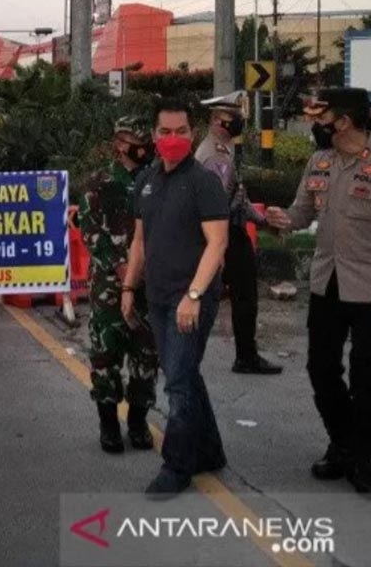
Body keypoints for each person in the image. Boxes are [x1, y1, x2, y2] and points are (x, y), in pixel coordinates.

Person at [265, 88, 371, 495]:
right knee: (321, 369)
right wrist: (283, 219)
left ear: (343, 121)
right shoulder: (321, 161)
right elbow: (302, 213)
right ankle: (342, 442)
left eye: (321, 116)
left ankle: (361, 459)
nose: (315, 123)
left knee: (370, 379)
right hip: (326, 284)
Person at [123, 98, 231, 497]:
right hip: (158, 297)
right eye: (165, 132)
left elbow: (217, 244)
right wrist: (128, 288)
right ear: (154, 136)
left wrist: (194, 294)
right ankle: (210, 450)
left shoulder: (204, 182)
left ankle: (177, 465)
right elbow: (139, 240)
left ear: (193, 134)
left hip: (192, 300)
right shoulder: (147, 179)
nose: (173, 139)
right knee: (181, 374)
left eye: (181, 132)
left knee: (179, 383)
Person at [77, 117, 159, 455]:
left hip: (150, 284)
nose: (142, 145)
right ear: (120, 143)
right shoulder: (100, 183)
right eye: (134, 139)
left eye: (145, 138)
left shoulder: (157, 180)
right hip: (110, 285)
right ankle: (108, 423)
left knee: (147, 354)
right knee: (107, 352)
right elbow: (90, 232)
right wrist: (120, 264)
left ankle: (138, 421)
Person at [195, 91, 282, 376]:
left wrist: (261, 222)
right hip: (226, 235)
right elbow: (217, 205)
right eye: (235, 118)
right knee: (242, 297)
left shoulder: (223, 150)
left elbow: (238, 199)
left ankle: (245, 354)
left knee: (238, 296)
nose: (240, 122)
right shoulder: (214, 157)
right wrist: (218, 246)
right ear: (218, 120)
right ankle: (245, 356)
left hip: (229, 232)